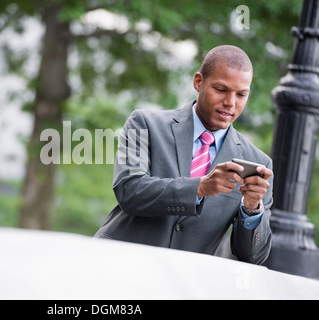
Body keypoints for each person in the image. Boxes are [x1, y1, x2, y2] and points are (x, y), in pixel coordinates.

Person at [94, 45, 273, 264]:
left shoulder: (258, 164)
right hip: (116, 265)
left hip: (183, 285)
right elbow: (129, 191)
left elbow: (252, 256)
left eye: (241, 94)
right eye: (220, 90)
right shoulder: (146, 124)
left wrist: (252, 208)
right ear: (198, 82)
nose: (230, 102)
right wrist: (199, 187)